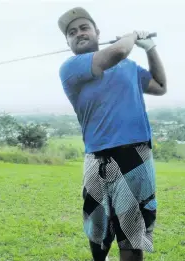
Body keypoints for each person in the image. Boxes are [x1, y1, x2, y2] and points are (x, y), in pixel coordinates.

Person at [57, 7, 167, 261]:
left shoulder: (128, 67)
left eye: (84, 27)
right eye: (71, 33)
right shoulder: (71, 68)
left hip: (135, 156)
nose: (78, 33)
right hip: (96, 158)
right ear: (68, 43)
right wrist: (131, 37)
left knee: (132, 236)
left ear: (97, 32)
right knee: (97, 235)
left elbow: (160, 86)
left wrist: (149, 48)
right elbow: (117, 51)